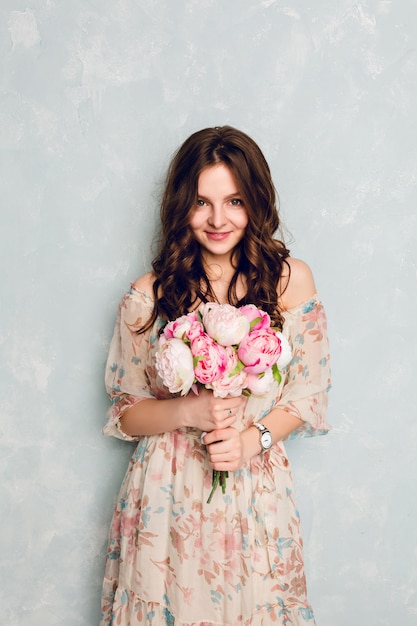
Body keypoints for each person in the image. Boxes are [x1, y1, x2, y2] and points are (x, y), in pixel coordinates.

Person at [100, 125, 331, 625]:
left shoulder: (291, 280)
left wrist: (254, 439)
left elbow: (310, 391)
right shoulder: (150, 293)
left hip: (251, 481)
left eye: (234, 201)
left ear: (256, 202)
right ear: (182, 203)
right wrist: (189, 409)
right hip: (168, 486)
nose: (218, 219)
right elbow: (125, 412)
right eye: (202, 202)